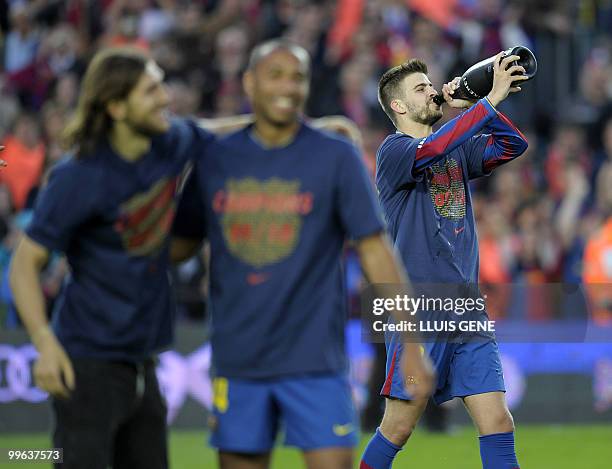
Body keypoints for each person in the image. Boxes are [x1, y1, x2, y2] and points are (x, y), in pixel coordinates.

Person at [171, 39, 434, 469]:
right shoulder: (217, 160)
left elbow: (376, 250)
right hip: (239, 358)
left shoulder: (334, 155)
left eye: (297, 77)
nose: (288, 87)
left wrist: (410, 340)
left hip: (316, 358)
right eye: (275, 75)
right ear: (249, 83)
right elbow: (176, 246)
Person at [7, 47, 244, 469]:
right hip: (87, 365)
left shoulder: (169, 143)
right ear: (116, 106)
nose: (165, 98)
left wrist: (307, 132)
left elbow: (219, 130)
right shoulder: (77, 176)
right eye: (151, 90)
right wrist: (44, 344)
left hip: (143, 361)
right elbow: (25, 265)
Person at [359, 54, 530, 469]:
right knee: (398, 426)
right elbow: (433, 146)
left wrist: (474, 105)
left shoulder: (457, 151)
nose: (432, 90)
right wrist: (488, 103)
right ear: (399, 106)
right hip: (421, 308)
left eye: (428, 83)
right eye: (420, 88)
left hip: (466, 305)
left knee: (498, 421)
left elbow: (513, 145)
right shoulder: (394, 152)